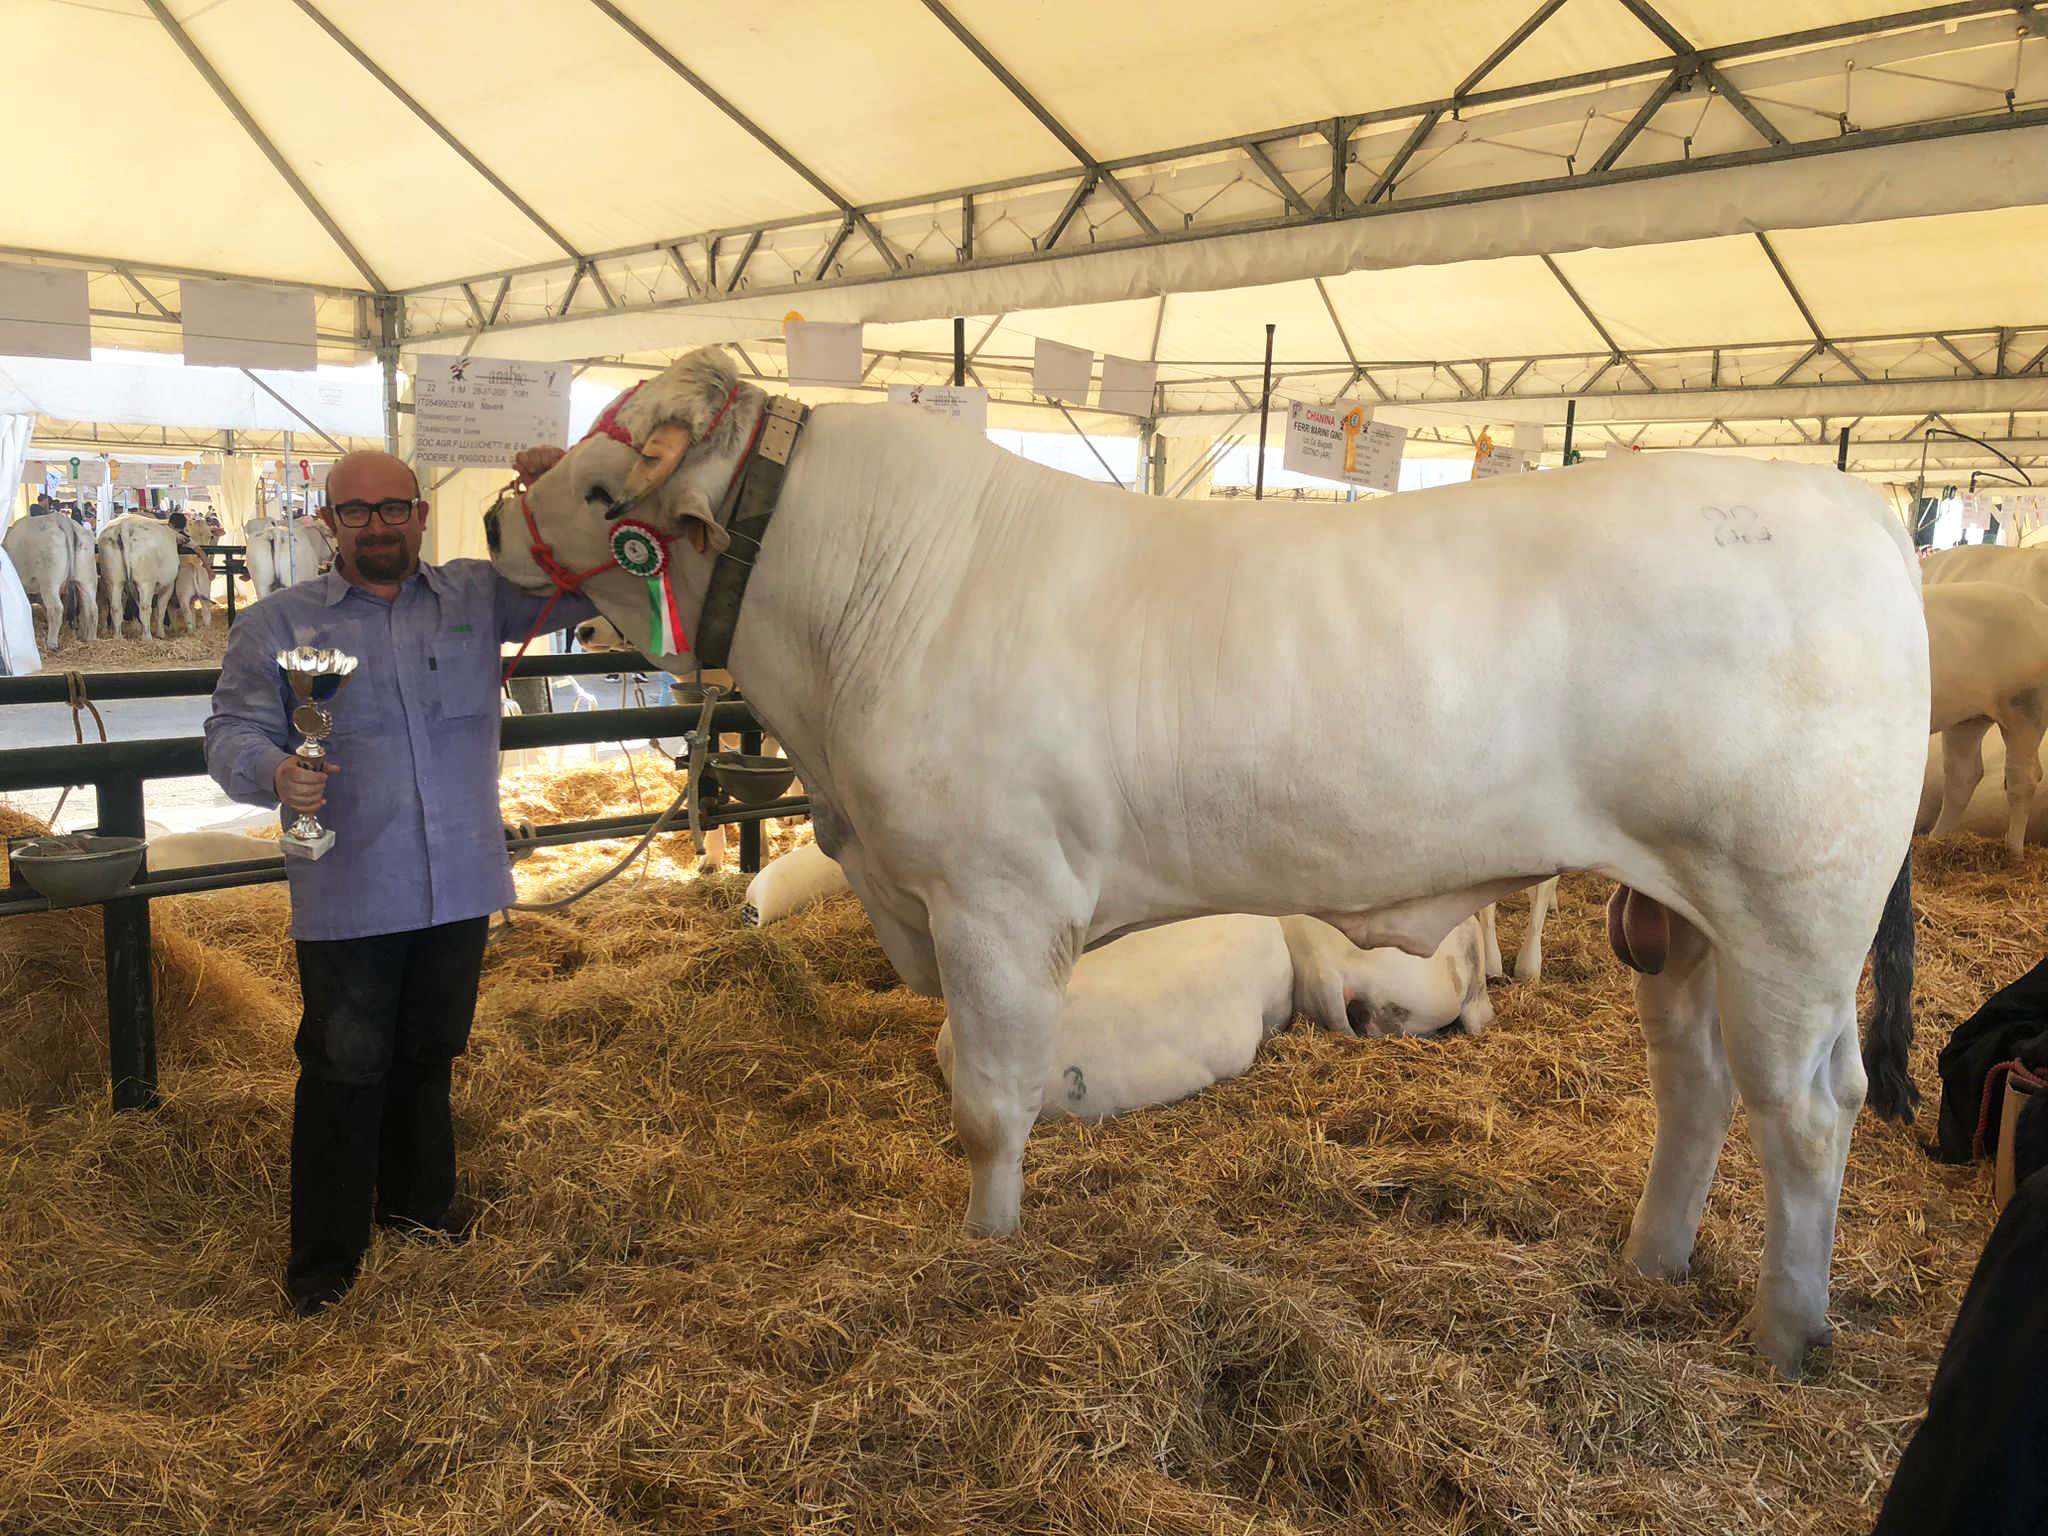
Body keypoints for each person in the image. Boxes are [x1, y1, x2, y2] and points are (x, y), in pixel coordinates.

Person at [204, 449, 593, 1316]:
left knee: (428, 1056)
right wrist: (272, 772)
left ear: (421, 514)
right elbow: (228, 728)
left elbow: (588, 588)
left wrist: (557, 488)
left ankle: (419, 1214)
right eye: (356, 512)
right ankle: (326, 1263)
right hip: (351, 885)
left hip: (457, 880)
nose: (376, 525)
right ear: (328, 523)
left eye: (393, 509)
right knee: (344, 1068)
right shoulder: (276, 625)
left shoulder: (476, 594)